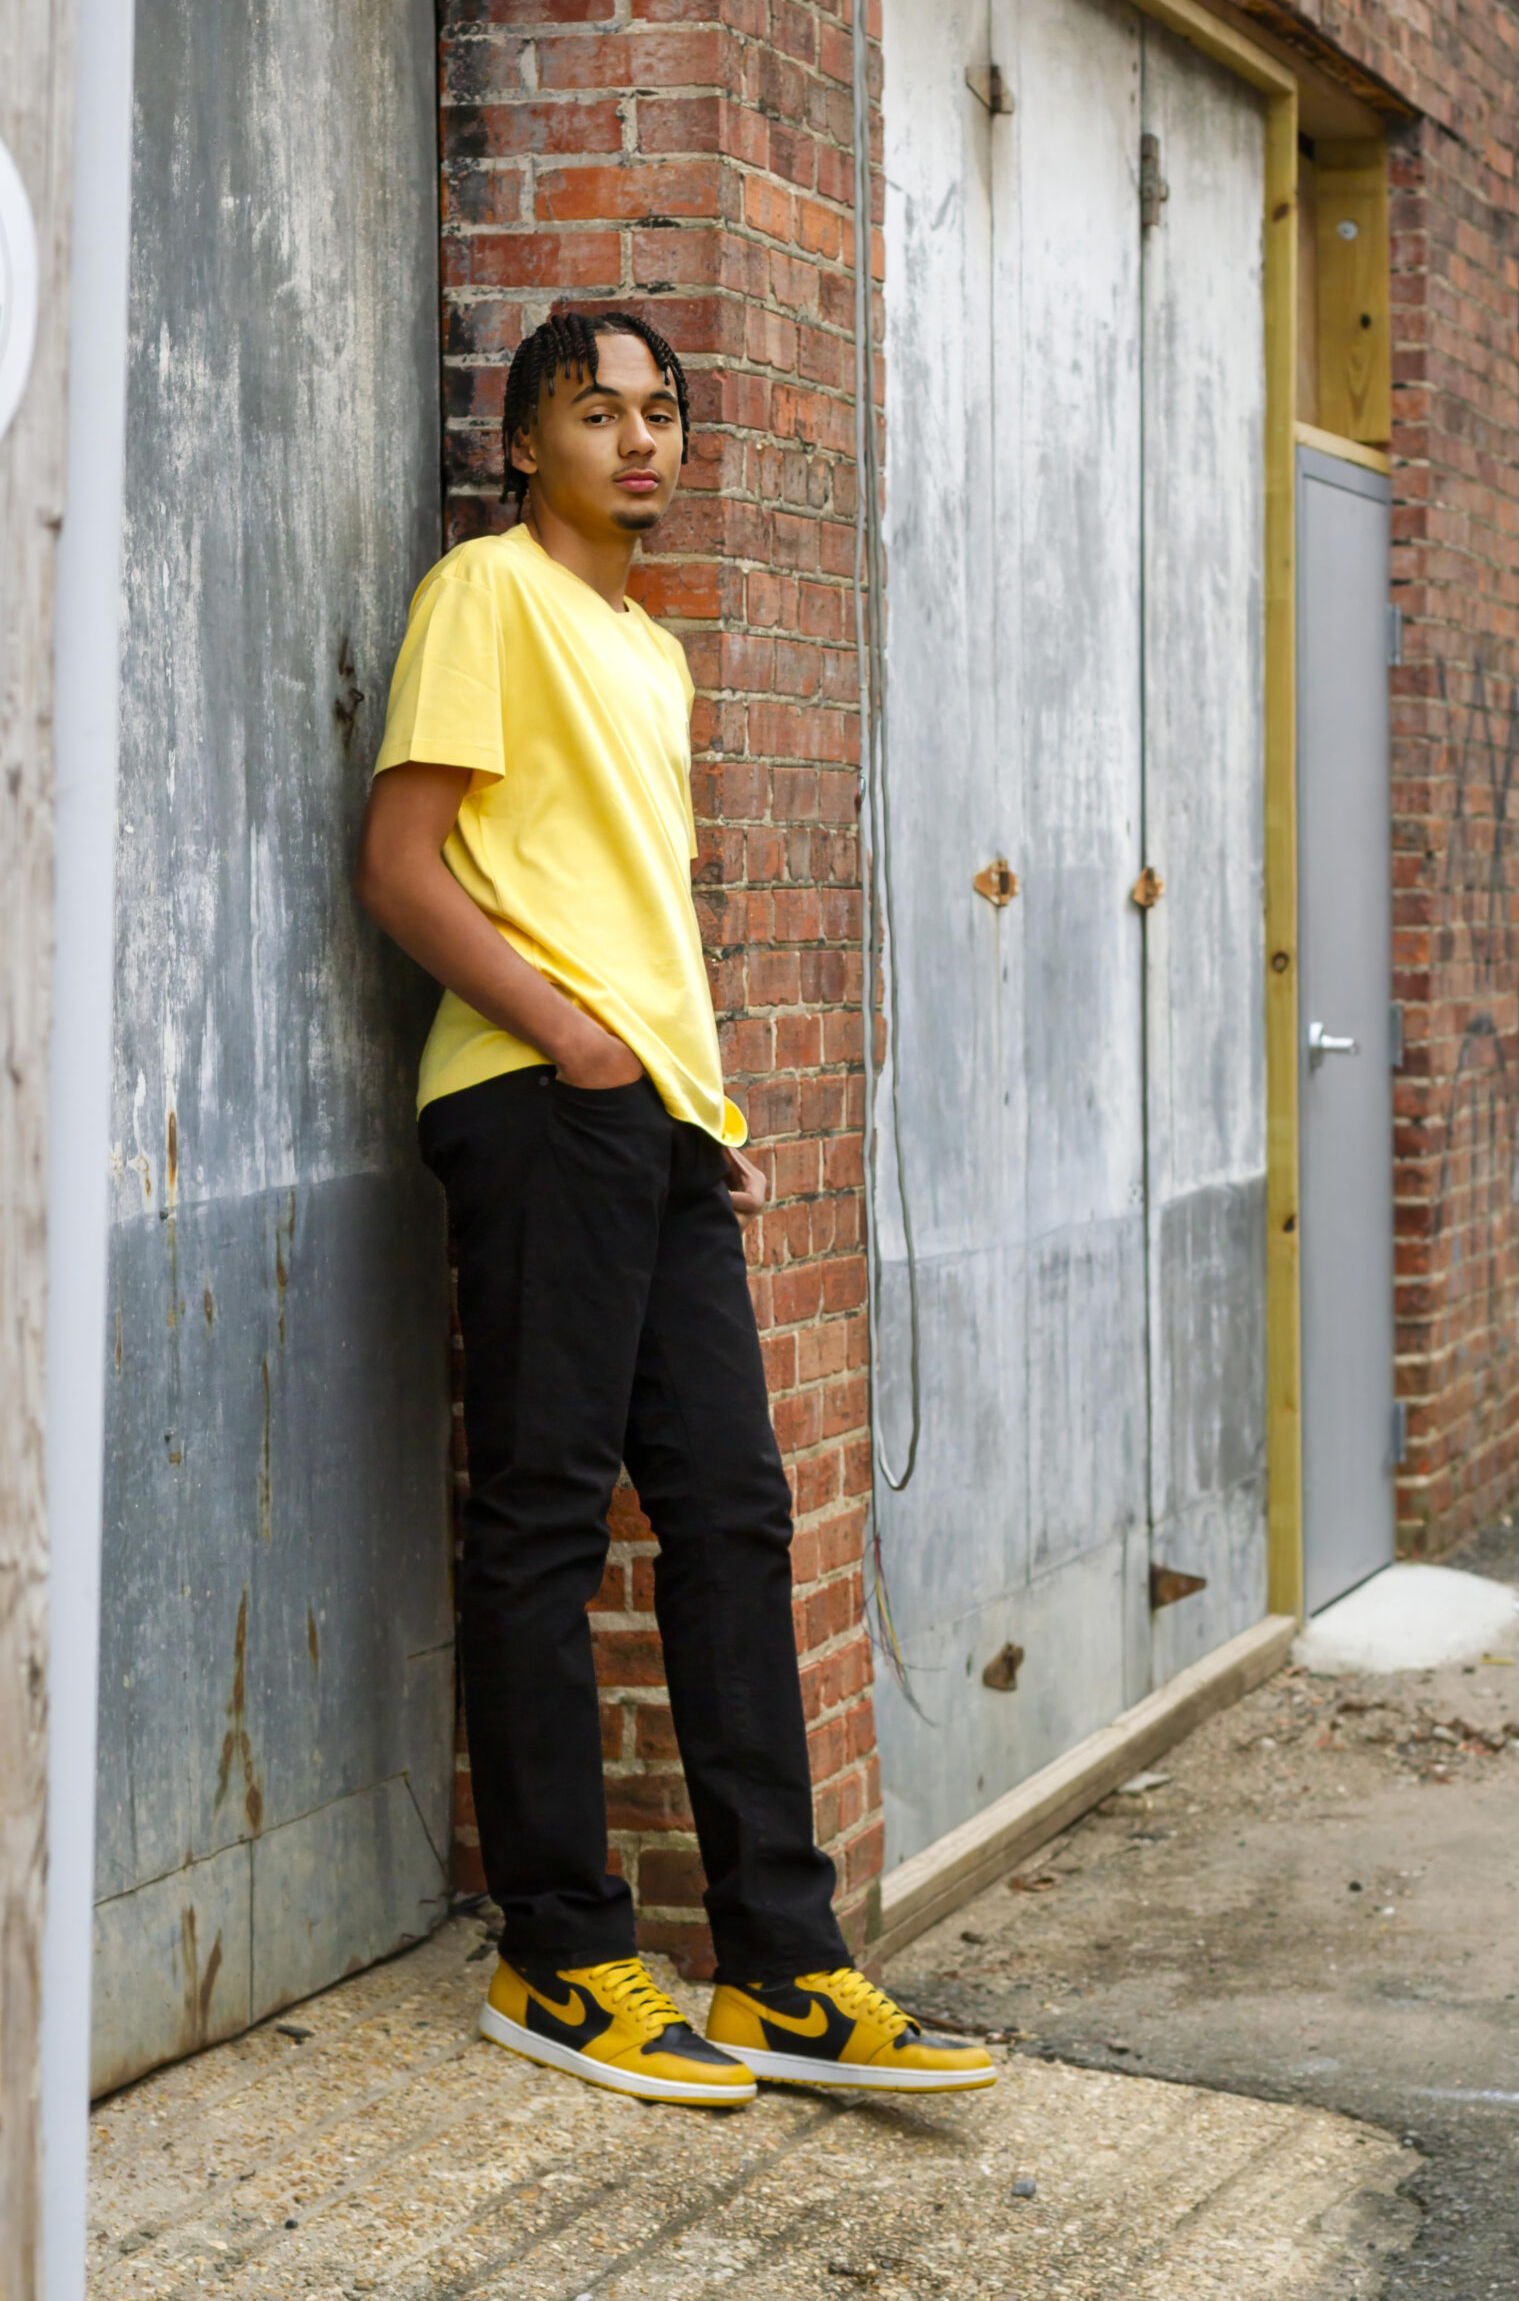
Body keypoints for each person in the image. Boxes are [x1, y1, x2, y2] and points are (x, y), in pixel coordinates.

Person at [355, 302, 993, 2107]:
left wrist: (690, 1103)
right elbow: (404, 864)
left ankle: (784, 1968)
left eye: (662, 414)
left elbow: (628, 897)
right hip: (537, 1103)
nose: (641, 442)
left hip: (651, 1123)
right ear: (524, 443)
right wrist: (576, 1044)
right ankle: (559, 1953)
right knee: (546, 1519)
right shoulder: (489, 594)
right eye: (596, 412)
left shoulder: (652, 647)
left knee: (727, 1508)